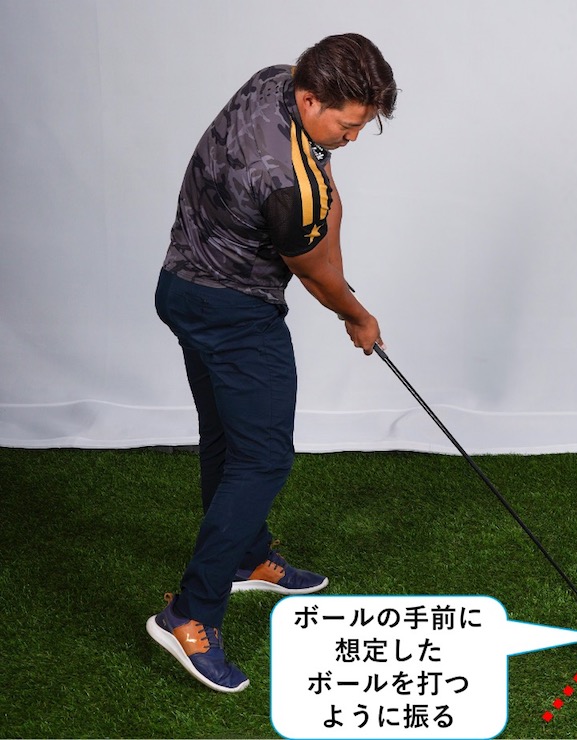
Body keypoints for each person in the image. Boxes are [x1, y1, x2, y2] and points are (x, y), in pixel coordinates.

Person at [148, 33, 397, 693]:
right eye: (346, 126)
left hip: (181, 289)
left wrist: (329, 207)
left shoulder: (276, 78)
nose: (351, 138)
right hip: (234, 312)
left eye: (361, 128)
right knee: (263, 458)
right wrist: (358, 316)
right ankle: (190, 615)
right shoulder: (287, 186)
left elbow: (323, 191)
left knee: (227, 438)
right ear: (311, 99)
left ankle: (247, 556)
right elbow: (316, 275)